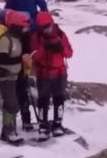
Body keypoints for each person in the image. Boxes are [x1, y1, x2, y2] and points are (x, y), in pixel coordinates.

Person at [4, 0, 48, 130]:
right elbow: (7, 10)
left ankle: (31, 71)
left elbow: (42, 5)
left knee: (31, 51)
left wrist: (42, 20)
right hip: (17, 28)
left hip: (32, 27)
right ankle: (23, 117)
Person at [30, 11, 73, 140]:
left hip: (60, 72)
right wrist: (45, 49)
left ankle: (57, 124)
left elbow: (70, 53)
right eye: (42, 27)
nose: (45, 30)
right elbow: (34, 56)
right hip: (44, 73)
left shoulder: (60, 35)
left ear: (51, 23)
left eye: (46, 26)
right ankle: (43, 126)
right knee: (43, 100)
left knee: (59, 99)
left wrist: (61, 49)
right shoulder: (36, 37)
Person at [0, 10, 31, 145]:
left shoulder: (16, 39)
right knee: (11, 103)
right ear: (17, 26)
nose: (25, 29)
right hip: (5, 77)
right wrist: (20, 59)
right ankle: (8, 131)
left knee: (11, 103)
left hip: (14, 76)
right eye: (23, 26)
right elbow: (3, 59)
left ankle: (9, 131)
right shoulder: (5, 40)